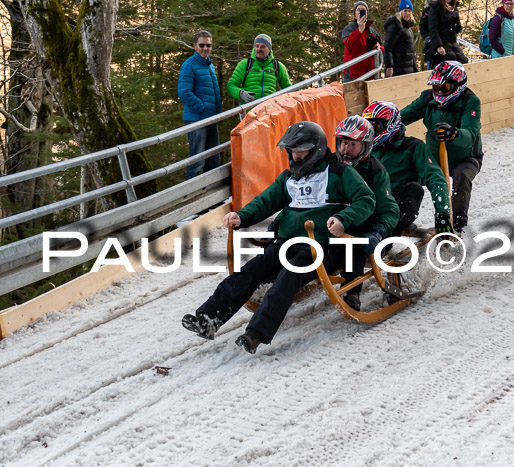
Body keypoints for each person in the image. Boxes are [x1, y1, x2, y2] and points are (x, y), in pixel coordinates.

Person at [182, 122, 376, 354]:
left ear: (316, 149)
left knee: (289, 276)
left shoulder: (339, 173)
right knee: (249, 271)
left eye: (300, 150)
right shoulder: (288, 178)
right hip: (287, 242)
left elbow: (366, 199)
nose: (295, 155)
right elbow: (266, 201)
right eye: (292, 150)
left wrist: (344, 218)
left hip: (323, 247)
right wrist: (241, 217)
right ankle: (208, 320)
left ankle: (256, 333)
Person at [400, 61, 483, 233]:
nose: (438, 91)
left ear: (457, 86)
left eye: (443, 87)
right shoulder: (427, 98)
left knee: (462, 177)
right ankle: (403, 217)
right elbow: (402, 117)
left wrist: (453, 134)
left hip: (466, 156)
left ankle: (458, 222)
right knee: (407, 178)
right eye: (435, 87)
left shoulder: (471, 102)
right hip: (433, 155)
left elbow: (470, 134)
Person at [334, 116, 399, 311]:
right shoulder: (330, 164)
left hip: (360, 223)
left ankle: (352, 289)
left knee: (354, 240)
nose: (345, 150)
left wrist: (379, 231)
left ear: (365, 146)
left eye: (352, 145)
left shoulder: (375, 171)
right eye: (343, 143)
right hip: (330, 219)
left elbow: (388, 209)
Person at [362, 101, 452, 235]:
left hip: (396, 206)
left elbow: (435, 178)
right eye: (368, 128)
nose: (371, 132)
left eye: (375, 126)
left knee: (414, 189)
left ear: (390, 124)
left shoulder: (413, 147)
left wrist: (442, 213)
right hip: (368, 204)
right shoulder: (365, 150)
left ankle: (384, 238)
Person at [177, 30, 223, 180]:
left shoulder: (210, 65)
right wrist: (201, 107)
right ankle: (192, 195)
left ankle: (211, 196)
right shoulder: (189, 65)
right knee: (197, 160)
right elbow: (184, 92)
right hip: (197, 120)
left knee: (213, 158)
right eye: (202, 45)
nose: (205, 48)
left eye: (208, 45)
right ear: (194, 46)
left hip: (211, 119)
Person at [227, 34, 292, 105]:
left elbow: (289, 89)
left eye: (263, 46)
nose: (259, 49)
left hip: (270, 111)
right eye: (257, 46)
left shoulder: (278, 66)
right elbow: (231, 85)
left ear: (269, 48)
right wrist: (240, 93)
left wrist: (281, 102)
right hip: (249, 110)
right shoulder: (245, 64)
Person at [343, 2, 384, 81]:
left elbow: (382, 48)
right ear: (354, 14)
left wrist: (378, 47)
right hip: (353, 75)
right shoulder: (348, 29)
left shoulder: (372, 31)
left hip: (370, 74)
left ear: (367, 13)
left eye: (363, 10)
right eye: (358, 10)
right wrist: (359, 31)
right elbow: (350, 45)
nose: (361, 12)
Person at [427, 0, 468, 67]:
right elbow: (432, 29)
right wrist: (438, 46)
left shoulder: (454, 8)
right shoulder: (436, 7)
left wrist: (458, 26)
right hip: (441, 43)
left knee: (463, 61)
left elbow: (456, 27)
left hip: (452, 42)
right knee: (449, 61)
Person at [384, 0, 419, 77]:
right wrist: (389, 66)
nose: (407, 13)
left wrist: (415, 69)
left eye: (409, 11)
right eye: (405, 11)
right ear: (400, 12)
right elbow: (387, 48)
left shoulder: (408, 28)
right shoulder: (395, 26)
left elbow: (411, 52)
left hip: (408, 69)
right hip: (397, 69)